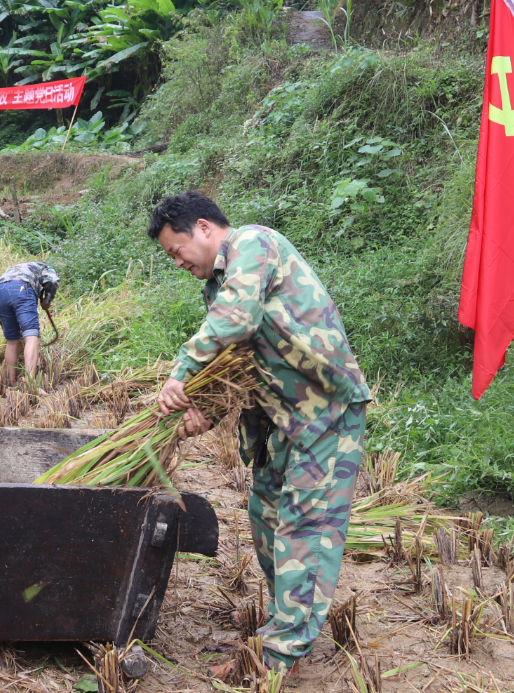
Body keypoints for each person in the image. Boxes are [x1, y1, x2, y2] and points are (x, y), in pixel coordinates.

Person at [148, 191, 371, 675]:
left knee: (302, 528)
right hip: (283, 422)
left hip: (325, 413)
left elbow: (237, 320)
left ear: (204, 228)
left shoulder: (254, 244)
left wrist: (182, 370)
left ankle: (277, 658)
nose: (177, 262)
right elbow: (243, 363)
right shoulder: (218, 286)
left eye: (175, 250)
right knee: (264, 515)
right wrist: (202, 409)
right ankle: (287, 618)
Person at [0, 262, 59, 384]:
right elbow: (52, 282)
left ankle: (12, 381)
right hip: (21, 289)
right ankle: (30, 382)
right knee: (32, 337)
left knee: (12, 340)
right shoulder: (46, 268)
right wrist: (47, 301)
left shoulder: (15, 268)